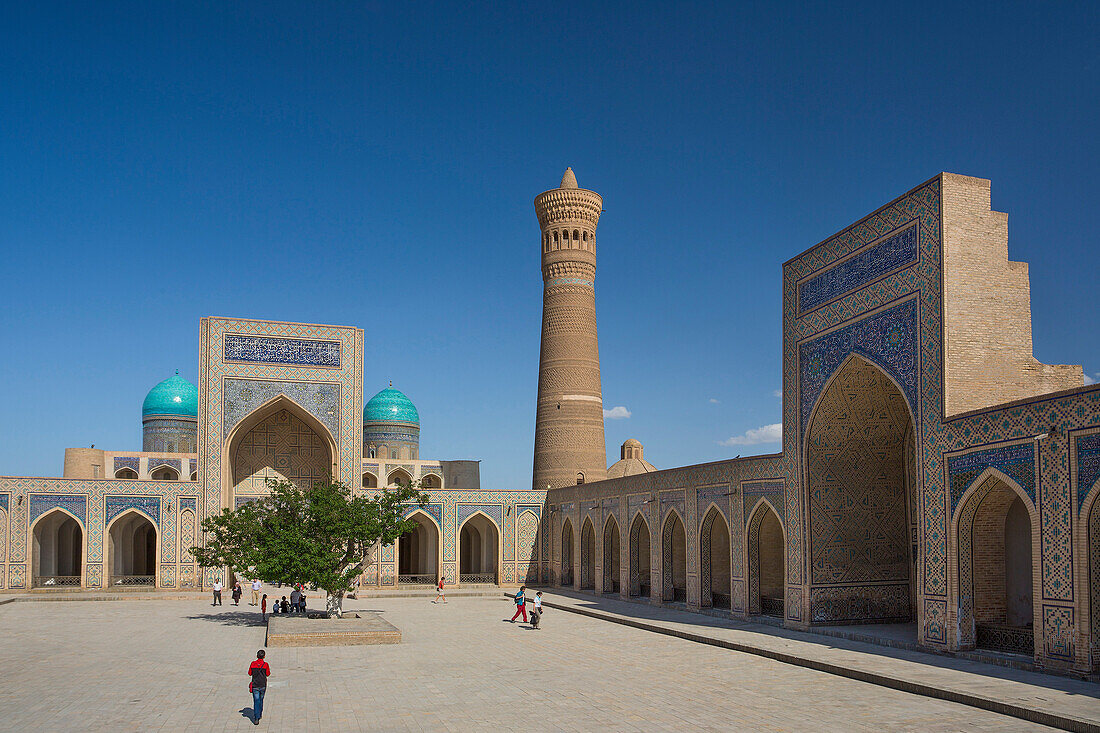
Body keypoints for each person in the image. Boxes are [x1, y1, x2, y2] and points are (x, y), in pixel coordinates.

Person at [247, 649, 271, 725]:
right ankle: (259, 714)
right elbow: (268, 674)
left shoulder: (253, 664)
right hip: (262, 685)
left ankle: (256, 717)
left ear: (257, 656)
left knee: (256, 701)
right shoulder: (265, 665)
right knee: (261, 699)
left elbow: (249, 673)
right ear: (264, 656)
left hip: (255, 685)